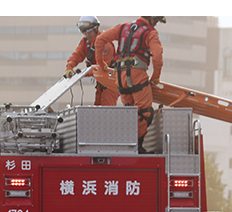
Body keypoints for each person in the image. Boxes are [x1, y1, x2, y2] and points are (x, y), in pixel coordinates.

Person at [94, 16, 165, 153]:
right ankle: (137, 148)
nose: (155, 24)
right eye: (156, 21)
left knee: (129, 111)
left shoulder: (123, 27)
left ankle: (127, 144)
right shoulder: (150, 33)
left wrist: (101, 63)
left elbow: (99, 40)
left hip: (119, 76)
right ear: (151, 18)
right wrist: (155, 77)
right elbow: (157, 56)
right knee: (144, 112)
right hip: (137, 74)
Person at [64, 16, 120, 106]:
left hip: (110, 82)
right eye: (84, 31)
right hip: (101, 81)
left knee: (107, 107)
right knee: (97, 107)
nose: (86, 34)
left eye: (88, 31)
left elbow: (103, 67)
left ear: (95, 28)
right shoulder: (86, 41)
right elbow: (77, 55)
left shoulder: (105, 44)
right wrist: (69, 66)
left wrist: (83, 73)